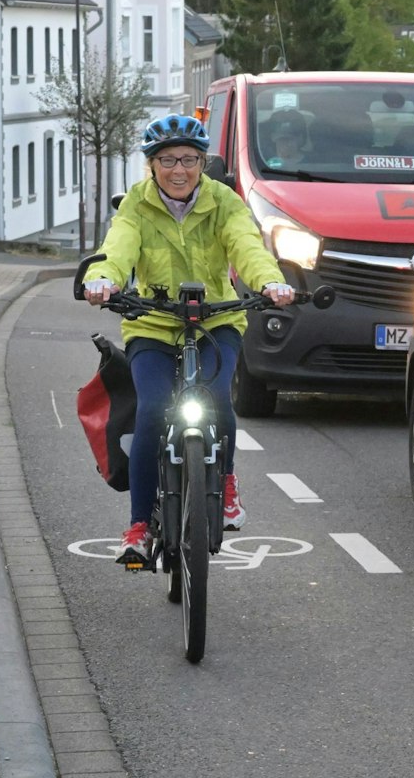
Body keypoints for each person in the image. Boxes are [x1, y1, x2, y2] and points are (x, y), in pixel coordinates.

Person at [83, 115, 294, 563]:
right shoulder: (136, 206)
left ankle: (228, 483)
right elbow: (118, 248)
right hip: (153, 323)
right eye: (167, 160)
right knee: (154, 409)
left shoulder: (224, 201)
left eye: (189, 159)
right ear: (151, 164)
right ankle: (139, 526)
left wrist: (269, 283)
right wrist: (103, 279)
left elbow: (246, 246)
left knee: (217, 397)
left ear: (203, 162)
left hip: (215, 319)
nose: (178, 170)